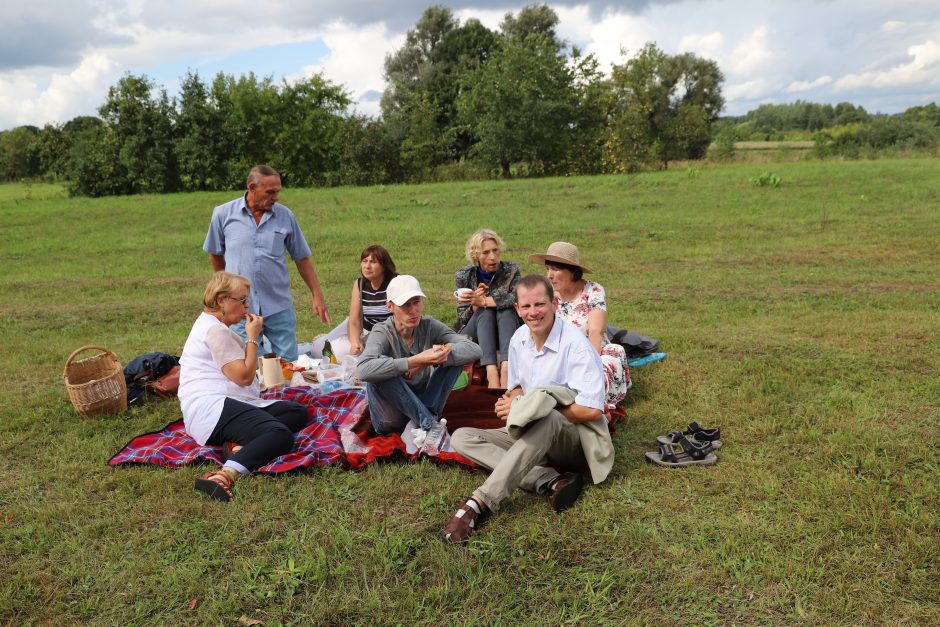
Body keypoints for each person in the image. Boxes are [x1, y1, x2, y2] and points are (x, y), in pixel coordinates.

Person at [442, 275, 612, 543]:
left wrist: (530, 408)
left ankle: (478, 503)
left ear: (554, 303)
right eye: (527, 306)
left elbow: (592, 412)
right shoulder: (519, 338)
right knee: (463, 436)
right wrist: (513, 402)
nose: (533, 313)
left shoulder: (576, 346)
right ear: (517, 309)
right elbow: (517, 387)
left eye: (540, 304)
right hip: (531, 426)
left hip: (573, 439)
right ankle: (549, 480)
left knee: (550, 418)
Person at [179, 272, 309, 502]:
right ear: (221, 301)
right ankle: (224, 475)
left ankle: (239, 444)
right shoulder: (215, 331)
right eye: (242, 300)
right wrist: (252, 337)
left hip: (225, 402)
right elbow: (243, 377)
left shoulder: (214, 325)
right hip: (211, 407)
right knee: (280, 435)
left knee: (296, 412)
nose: (247, 306)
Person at [203, 165, 330, 361]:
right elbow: (215, 253)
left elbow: (302, 258)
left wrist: (317, 295)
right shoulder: (223, 214)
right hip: (239, 308)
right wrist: (225, 289)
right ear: (252, 188)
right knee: (248, 365)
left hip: (278, 304)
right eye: (270, 192)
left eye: (278, 191)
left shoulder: (285, 216)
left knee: (288, 363)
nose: (276, 197)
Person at [356, 275, 482, 437]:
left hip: (424, 403)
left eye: (416, 302)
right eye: (405, 305)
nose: (413, 310)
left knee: (452, 355)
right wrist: (414, 361)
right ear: (390, 306)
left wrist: (429, 359)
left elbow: (474, 349)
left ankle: (425, 421)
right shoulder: (382, 331)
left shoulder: (428, 325)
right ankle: (429, 424)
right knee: (381, 367)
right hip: (390, 419)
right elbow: (363, 370)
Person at [529, 241, 630, 408]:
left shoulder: (593, 291)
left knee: (612, 355)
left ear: (572, 271)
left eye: (555, 269)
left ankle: (586, 401)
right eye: (547, 269)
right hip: (560, 355)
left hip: (592, 351)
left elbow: (596, 332)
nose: (549, 275)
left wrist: (588, 366)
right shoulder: (547, 294)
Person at [454, 229, 522, 388]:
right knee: (485, 312)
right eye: (486, 252)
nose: (492, 257)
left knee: (506, 310)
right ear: (476, 255)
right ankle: (491, 370)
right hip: (475, 332)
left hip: (507, 328)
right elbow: (463, 318)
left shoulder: (511, 270)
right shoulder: (464, 275)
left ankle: (506, 367)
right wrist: (475, 304)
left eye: (495, 250)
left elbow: (517, 298)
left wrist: (484, 300)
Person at [310, 245, 398, 359]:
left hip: (383, 334)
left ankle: (343, 341)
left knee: (345, 356)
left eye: (373, 262)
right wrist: (355, 342)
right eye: (364, 261)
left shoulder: (395, 283)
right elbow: (354, 320)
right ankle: (334, 338)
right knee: (317, 350)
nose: (367, 266)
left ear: (384, 266)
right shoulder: (360, 283)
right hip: (361, 325)